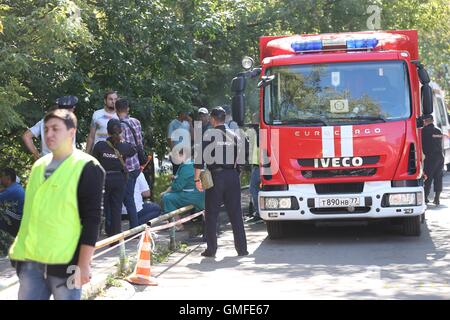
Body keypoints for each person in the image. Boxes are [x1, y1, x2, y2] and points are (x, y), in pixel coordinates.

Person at [9, 109, 105, 300]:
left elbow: (92, 220)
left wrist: (84, 264)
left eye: (55, 129)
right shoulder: (38, 166)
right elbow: (31, 215)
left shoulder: (88, 166)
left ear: (71, 132)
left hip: (66, 263)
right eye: (46, 129)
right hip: (30, 262)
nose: (49, 134)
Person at [194, 107, 248, 257]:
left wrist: (197, 179)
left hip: (215, 178)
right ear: (224, 119)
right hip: (232, 177)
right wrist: (236, 172)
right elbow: (243, 158)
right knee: (236, 213)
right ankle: (242, 249)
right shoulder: (235, 135)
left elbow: (199, 161)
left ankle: (211, 250)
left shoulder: (208, 136)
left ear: (212, 119)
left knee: (211, 214)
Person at [92, 119, 136, 237]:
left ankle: (101, 231)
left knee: (104, 207)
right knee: (116, 208)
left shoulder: (100, 146)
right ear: (121, 131)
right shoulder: (124, 147)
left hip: (104, 179)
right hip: (119, 180)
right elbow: (133, 150)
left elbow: (94, 163)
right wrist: (123, 141)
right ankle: (115, 234)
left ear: (107, 131)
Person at [115, 98, 144, 230]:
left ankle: (134, 228)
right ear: (128, 109)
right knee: (128, 196)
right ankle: (133, 226)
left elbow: (122, 148)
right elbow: (140, 143)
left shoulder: (119, 126)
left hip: (126, 167)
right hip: (137, 165)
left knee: (128, 198)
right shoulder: (136, 122)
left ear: (116, 110)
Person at [22, 96, 78, 160]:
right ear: (71, 109)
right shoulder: (68, 123)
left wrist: (36, 154)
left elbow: (26, 136)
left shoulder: (44, 121)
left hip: (46, 163)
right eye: (73, 108)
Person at [162, 150, 205, 230]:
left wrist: (173, 183)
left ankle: (178, 225)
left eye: (176, 156)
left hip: (194, 196)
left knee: (167, 198)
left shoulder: (186, 167)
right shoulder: (194, 163)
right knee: (170, 196)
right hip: (202, 194)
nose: (174, 159)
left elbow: (177, 187)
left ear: (183, 155)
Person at [421, 114, 444, 205]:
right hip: (440, 157)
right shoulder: (438, 130)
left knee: (428, 177)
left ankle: (425, 197)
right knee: (438, 177)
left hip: (430, 157)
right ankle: (437, 198)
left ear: (426, 120)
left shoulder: (424, 131)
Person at [246, 113, 262, 222]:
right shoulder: (264, 130)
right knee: (260, 189)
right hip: (266, 165)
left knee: (253, 188)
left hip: (258, 165)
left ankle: (259, 213)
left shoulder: (254, 132)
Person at [0, 168, 25, 237]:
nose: (0, 179)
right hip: (19, 218)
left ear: (8, 178)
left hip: (16, 221)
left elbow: (6, 193)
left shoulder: (11, 191)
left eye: (2, 176)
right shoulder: (15, 187)